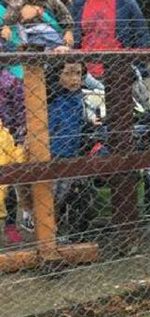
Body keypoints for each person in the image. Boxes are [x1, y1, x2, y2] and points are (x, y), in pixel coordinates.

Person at [46, 59, 105, 241]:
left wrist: (89, 123)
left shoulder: (78, 95)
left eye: (78, 73)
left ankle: (54, 231)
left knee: (63, 194)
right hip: (51, 153)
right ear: (57, 76)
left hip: (71, 152)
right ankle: (47, 234)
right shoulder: (50, 96)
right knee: (50, 197)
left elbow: (79, 118)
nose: (74, 79)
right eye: (68, 73)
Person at [67, 0, 150, 78]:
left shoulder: (126, 3)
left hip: (119, 74)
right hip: (86, 76)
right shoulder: (78, 5)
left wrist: (135, 69)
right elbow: (71, 38)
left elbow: (142, 37)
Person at [0, 0, 33, 236]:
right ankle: (6, 216)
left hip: (31, 82)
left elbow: (58, 26)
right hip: (4, 84)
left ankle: (26, 210)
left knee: (28, 150)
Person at [0, 118, 24, 245]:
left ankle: (10, 226)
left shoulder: (4, 134)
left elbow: (12, 152)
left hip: (4, 174)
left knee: (10, 199)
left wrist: (20, 152)